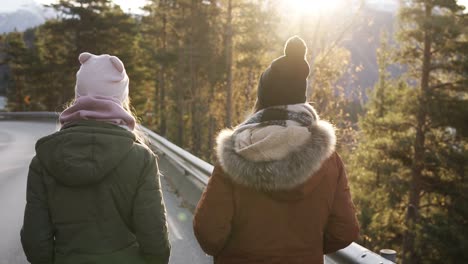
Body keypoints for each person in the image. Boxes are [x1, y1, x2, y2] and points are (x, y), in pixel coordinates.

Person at [193, 36, 359, 264]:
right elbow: (345, 229)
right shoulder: (329, 160)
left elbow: (208, 232)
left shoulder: (236, 153)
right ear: (301, 100)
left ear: (263, 98)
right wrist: (307, 250)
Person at [21, 52, 171, 264]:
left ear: (79, 94)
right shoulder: (140, 158)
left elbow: (35, 242)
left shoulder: (44, 159)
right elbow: (155, 241)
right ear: (121, 97)